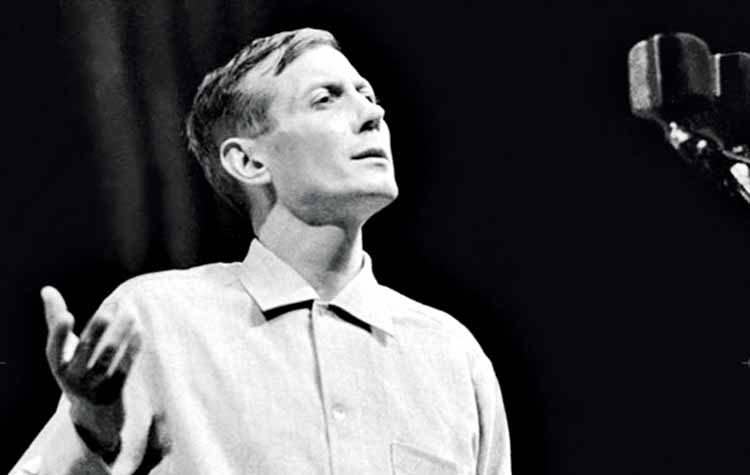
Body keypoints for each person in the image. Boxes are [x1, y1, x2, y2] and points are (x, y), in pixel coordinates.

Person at [11, 28, 511, 475]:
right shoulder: (155, 321)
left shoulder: (452, 355)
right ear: (249, 161)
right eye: (326, 99)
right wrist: (93, 435)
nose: (373, 114)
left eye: (367, 95)